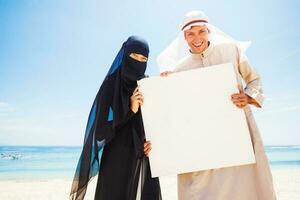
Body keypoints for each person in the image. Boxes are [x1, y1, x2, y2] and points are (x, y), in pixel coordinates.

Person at [151, 10, 277, 200]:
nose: (197, 38)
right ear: (184, 37)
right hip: (203, 143)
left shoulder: (231, 51)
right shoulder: (178, 70)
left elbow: (254, 80)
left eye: (201, 31)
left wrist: (248, 97)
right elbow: (173, 113)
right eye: (191, 34)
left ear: (208, 31)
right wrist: (166, 86)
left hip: (239, 133)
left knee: (248, 186)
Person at [70, 36, 162, 200]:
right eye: (134, 56)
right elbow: (99, 132)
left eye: (144, 58)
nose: (139, 62)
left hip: (143, 157)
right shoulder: (111, 85)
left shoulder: (147, 85)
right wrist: (130, 110)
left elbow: (158, 122)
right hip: (116, 159)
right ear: (125, 55)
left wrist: (153, 142)